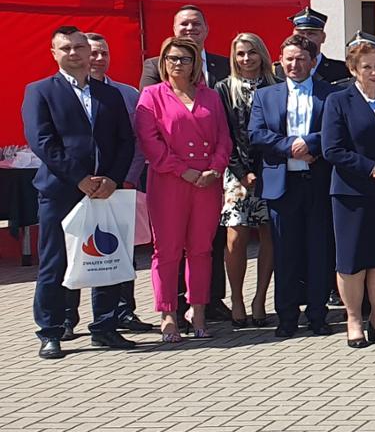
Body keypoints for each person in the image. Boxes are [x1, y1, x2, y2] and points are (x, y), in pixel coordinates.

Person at [24, 27, 138, 358]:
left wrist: (113, 179)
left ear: (89, 53)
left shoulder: (110, 95)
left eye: (79, 47)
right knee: (54, 262)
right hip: (61, 191)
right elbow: (43, 141)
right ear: (54, 53)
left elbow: (125, 141)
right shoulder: (40, 91)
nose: (73, 53)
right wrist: (80, 179)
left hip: (106, 191)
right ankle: (50, 330)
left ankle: (105, 327)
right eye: (65, 48)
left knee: (107, 257)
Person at [136, 36, 234, 342]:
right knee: (167, 250)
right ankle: (168, 314)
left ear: (196, 64)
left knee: (201, 250)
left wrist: (215, 169)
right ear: (163, 62)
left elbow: (224, 138)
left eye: (185, 59)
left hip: (206, 183)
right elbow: (151, 143)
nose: (178, 64)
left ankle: (199, 310)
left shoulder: (211, 96)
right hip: (170, 183)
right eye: (172, 58)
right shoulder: (152, 96)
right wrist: (185, 171)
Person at [319, 39, 375, 347]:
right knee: (353, 259)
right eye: (367, 67)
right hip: (352, 192)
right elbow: (332, 149)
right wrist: (371, 167)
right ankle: (354, 320)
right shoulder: (338, 100)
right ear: (353, 70)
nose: (374, 73)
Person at [247, 34, 341, 338]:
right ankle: (286, 318)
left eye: (301, 58)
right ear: (279, 61)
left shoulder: (330, 95)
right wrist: (290, 146)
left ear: (312, 62)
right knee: (285, 254)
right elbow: (257, 134)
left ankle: (317, 316)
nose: (294, 64)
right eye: (289, 58)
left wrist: (309, 143)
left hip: (317, 183)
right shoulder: (266, 95)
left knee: (318, 252)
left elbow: (336, 131)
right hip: (282, 184)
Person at [82, 32, 155, 335]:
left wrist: (126, 178)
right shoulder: (63, 93)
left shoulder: (127, 94)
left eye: (104, 53)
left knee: (121, 252)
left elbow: (137, 142)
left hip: (120, 185)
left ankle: (124, 312)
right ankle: (66, 319)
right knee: (76, 252)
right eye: (94, 53)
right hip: (80, 188)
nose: (99, 59)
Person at [213, 33, 276, 328]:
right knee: (235, 237)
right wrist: (242, 172)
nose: (246, 58)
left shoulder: (275, 86)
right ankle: (237, 299)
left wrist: (262, 170)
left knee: (269, 234)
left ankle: (260, 298)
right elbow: (222, 135)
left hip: (271, 170)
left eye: (252, 52)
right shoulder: (224, 88)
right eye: (240, 53)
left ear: (262, 54)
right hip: (236, 173)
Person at [139, 5, 232, 88]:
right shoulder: (155, 65)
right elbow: (148, 103)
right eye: (184, 24)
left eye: (196, 24)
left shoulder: (226, 65)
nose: (190, 28)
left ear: (206, 29)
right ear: (174, 29)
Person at [288, 8, 350, 84]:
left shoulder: (341, 70)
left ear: (323, 37)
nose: (305, 38)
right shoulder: (279, 71)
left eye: (311, 34)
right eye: (301, 33)